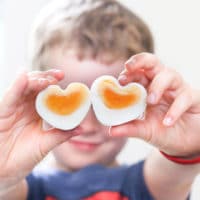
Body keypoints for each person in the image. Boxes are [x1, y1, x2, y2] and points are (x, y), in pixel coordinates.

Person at [0, 0, 200, 199]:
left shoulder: (145, 186)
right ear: (40, 101)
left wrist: (188, 138)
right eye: (68, 106)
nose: (87, 126)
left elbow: (176, 172)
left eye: (107, 104)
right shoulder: (24, 189)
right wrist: (4, 175)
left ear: (138, 101)